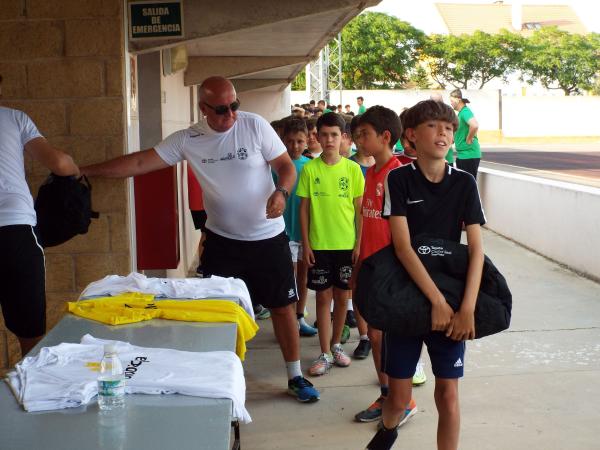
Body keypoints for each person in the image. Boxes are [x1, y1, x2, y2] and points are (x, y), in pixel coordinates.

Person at [81, 76, 320, 403]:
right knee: (215, 311)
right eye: (222, 110)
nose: (231, 115)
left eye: (235, 106)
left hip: (268, 239)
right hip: (222, 241)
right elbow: (139, 162)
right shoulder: (188, 139)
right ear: (203, 108)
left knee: (283, 307)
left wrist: (281, 191)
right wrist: (84, 170)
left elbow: (285, 166)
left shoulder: (254, 126)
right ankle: (217, 376)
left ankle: (294, 375)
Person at [365, 100, 485, 450]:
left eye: (448, 127)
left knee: (448, 394)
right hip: (406, 297)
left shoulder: (464, 183)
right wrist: (434, 301)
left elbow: (476, 249)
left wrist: (466, 307)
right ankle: (388, 429)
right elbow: (402, 248)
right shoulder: (399, 179)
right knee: (398, 398)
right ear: (412, 137)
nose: (444, 132)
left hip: (450, 298)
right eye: (434, 126)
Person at [352, 106, 420, 425]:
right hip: (369, 267)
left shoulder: (399, 175)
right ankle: (387, 393)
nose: (357, 140)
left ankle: (402, 400)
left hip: (391, 272)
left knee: (387, 337)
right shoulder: (370, 173)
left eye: (364, 134)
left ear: (385, 136)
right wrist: (359, 256)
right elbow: (368, 220)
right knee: (376, 337)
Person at [0, 105, 79, 356]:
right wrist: (77, 172)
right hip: (14, 228)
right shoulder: (13, 117)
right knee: (30, 333)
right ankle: (30, 389)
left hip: (15, 223)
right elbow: (59, 163)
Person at [296, 112, 364, 376]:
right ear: (317, 137)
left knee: (341, 297)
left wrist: (358, 243)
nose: (329, 139)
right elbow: (304, 209)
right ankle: (324, 352)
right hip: (320, 244)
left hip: (346, 245)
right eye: (324, 134)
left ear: (344, 137)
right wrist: (306, 244)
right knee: (322, 298)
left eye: (334, 134)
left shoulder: (353, 169)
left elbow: (359, 211)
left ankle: (337, 346)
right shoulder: (310, 169)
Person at [279, 118, 317, 337]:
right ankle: (289, 319)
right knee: (289, 277)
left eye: (299, 141)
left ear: (307, 142)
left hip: (305, 232)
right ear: (283, 141)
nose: (294, 145)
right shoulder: (279, 166)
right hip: (283, 232)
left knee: (302, 277)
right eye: (290, 141)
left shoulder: (311, 167)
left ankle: (299, 316)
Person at [449, 89, 480, 178]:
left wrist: (469, 139)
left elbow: (474, 125)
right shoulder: (461, 113)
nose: (451, 103)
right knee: (463, 185)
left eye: (451, 101)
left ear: (458, 99)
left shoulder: (465, 112)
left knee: (468, 185)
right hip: (463, 155)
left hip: (469, 155)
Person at [430, 93, 455, 165]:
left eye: (439, 102)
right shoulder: (427, 115)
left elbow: (453, 131)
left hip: (447, 157)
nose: (438, 105)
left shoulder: (449, 113)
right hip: (431, 159)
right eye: (434, 103)